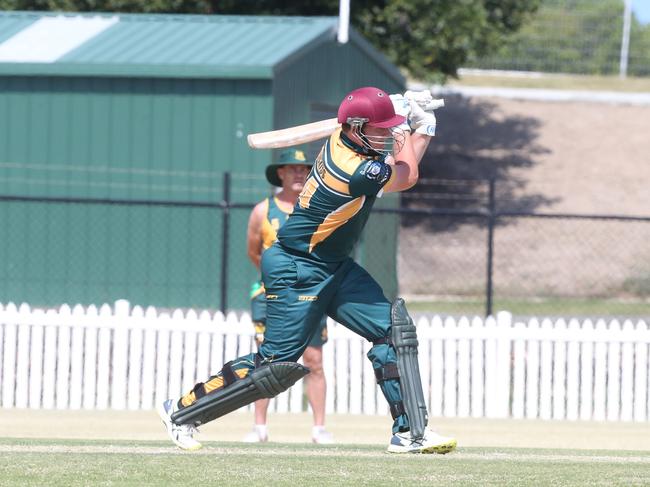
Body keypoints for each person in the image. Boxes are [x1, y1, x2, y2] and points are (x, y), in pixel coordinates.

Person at [158, 86, 457, 454]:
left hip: (333, 265)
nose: (385, 134)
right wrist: (417, 127)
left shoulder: (349, 142)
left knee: (394, 332)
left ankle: (411, 432)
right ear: (357, 128)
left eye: (385, 129)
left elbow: (400, 168)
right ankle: (183, 412)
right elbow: (405, 176)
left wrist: (403, 117)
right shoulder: (354, 170)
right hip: (297, 267)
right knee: (275, 367)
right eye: (380, 128)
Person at [243, 149, 333, 444]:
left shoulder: (318, 207)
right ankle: (259, 427)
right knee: (266, 361)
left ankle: (319, 429)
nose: (299, 174)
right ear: (280, 173)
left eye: (304, 168)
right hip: (271, 296)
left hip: (310, 296)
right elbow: (254, 251)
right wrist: (277, 279)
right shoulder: (263, 210)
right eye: (292, 168)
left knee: (314, 360)